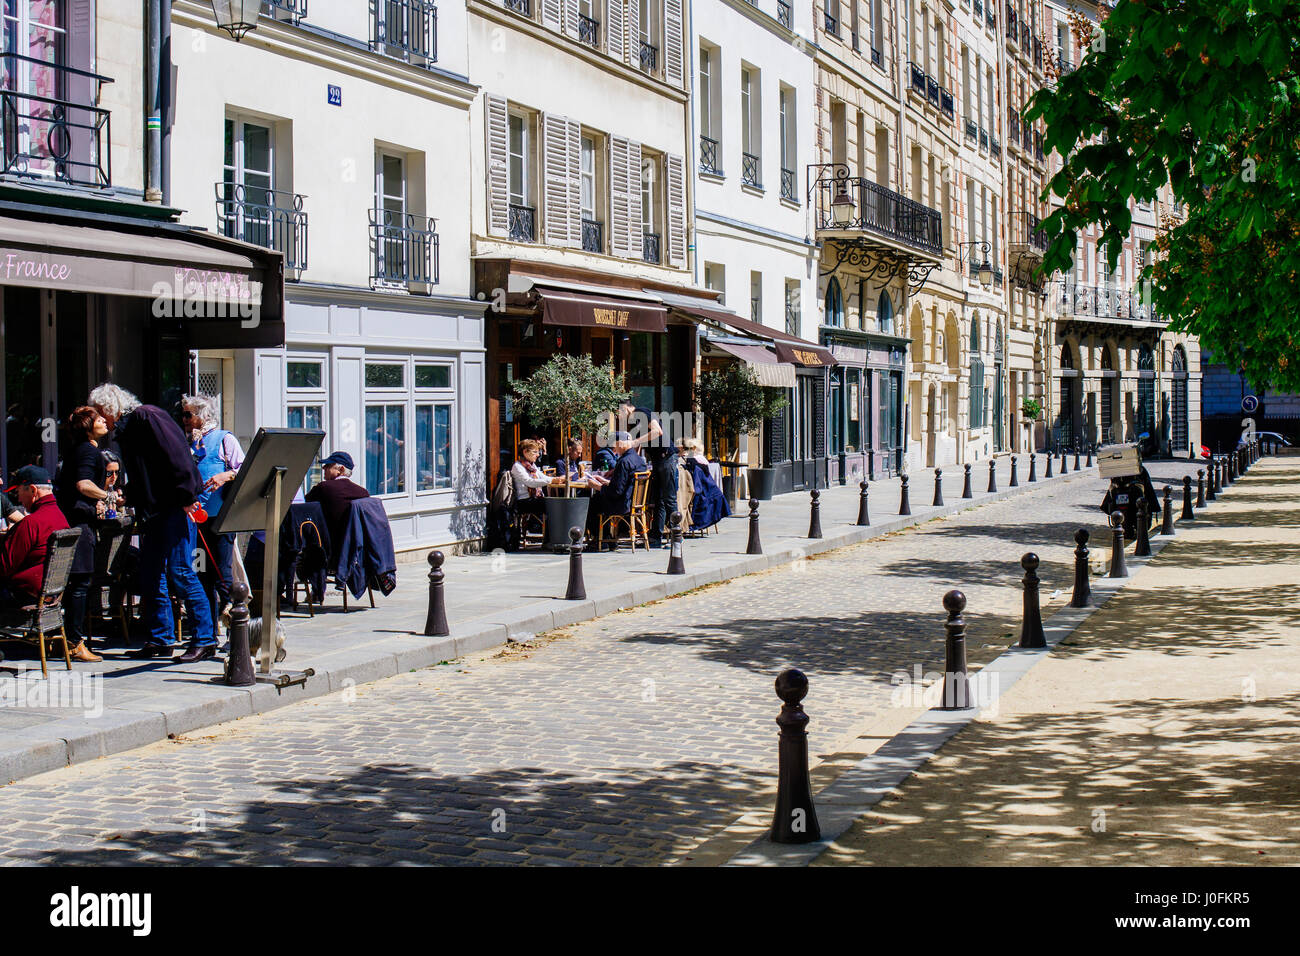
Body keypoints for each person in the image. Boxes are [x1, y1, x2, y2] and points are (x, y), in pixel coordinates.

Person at [87, 383, 214, 663]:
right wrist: (129, 496)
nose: (99, 419)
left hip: (172, 507)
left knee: (181, 572)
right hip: (157, 509)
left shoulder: (147, 417)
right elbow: (148, 472)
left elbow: (176, 457)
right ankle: (161, 638)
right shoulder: (134, 424)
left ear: (111, 409)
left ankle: (204, 638)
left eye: (99, 413)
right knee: (152, 572)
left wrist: (186, 494)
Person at [0, 467, 100, 662]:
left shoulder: (31, 523)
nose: (18, 499)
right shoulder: (59, 517)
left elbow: (4, 567)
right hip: (51, 595)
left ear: (33, 491)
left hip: (24, 595)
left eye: (18, 492)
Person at [53, 406, 113, 661]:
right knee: (79, 584)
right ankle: (74, 644)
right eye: (99, 419)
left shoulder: (79, 450)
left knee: (76, 585)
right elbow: (83, 484)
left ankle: (66, 641)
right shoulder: (89, 451)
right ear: (88, 427)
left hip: (73, 519)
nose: (105, 422)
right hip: (79, 524)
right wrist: (108, 496)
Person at [182, 394, 244, 635]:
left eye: (189, 414)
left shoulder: (224, 439)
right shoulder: (187, 443)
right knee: (200, 574)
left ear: (202, 415)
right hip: (194, 520)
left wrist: (224, 476)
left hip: (220, 517)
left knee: (222, 572)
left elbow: (243, 468)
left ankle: (236, 626)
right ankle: (208, 626)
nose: (185, 419)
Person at [615, 400, 677, 547]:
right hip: (658, 460)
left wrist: (634, 442)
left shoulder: (641, 412)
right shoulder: (636, 421)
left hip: (666, 457)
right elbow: (640, 444)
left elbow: (657, 432)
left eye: (618, 412)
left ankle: (677, 537)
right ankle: (655, 538)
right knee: (659, 500)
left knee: (669, 499)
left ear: (625, 408)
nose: (618, 416)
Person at [589, 433, 648, 543]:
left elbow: (616, 491)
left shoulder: (623, 462)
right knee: (599, 500)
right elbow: (624, 484)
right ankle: (608, 538)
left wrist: (597, 486)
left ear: (620, 443)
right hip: (635, 503)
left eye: (615, 445)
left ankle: (602, 540)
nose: (615, 449)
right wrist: (605, 482)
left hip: (622, 504)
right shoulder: (639, 460)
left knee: (593, 502)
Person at [305, 451, 371, 548]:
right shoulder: (363, 492)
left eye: (328, 465)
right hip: (356, 545)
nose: (323, 468)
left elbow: (304, 505)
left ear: (341, 469)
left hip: (330, 545)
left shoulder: (324, 487)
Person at [511, 439, 553, 525]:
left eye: (538, 452)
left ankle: (551, 533)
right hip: (523, 501)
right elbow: (530, 482)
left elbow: (543, 477)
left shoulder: (532, 466)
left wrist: (559, 479)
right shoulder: (517, 466)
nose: (538, 455)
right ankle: (550, 535)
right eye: (535, 452)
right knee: (551, 504)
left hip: (534, 499)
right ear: (525, 452)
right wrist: (552, 480)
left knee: (555, 502)